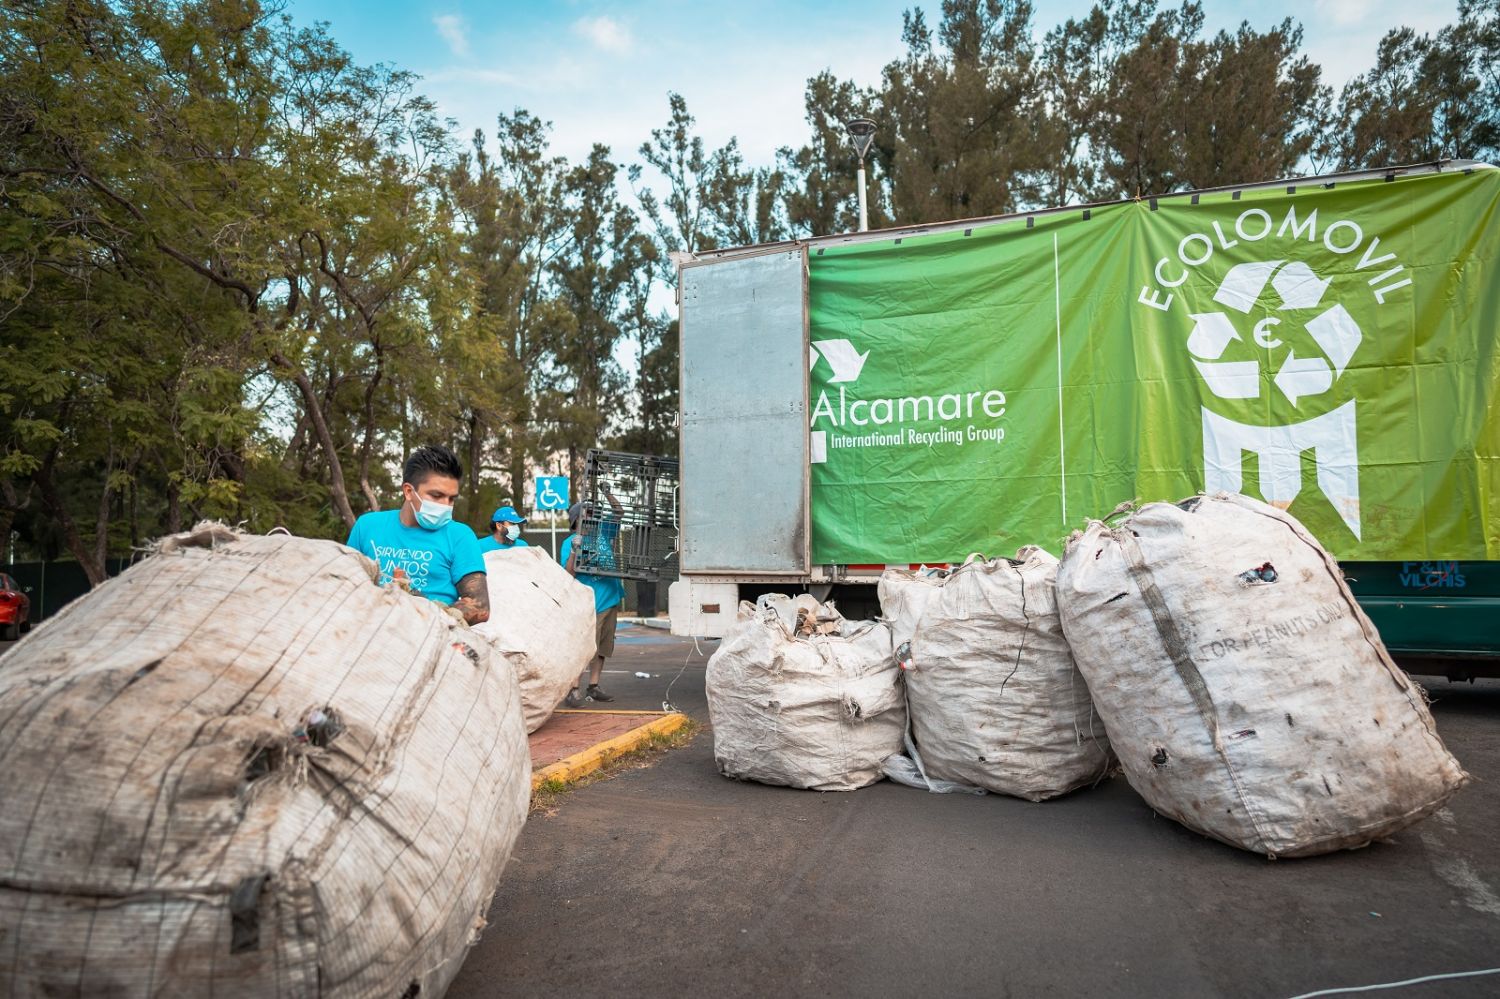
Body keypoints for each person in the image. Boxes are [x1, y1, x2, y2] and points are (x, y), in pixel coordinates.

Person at [345, 445, 489, 625]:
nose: (446, 505)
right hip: (369, 626)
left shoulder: (460, 536)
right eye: (436, 495)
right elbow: (346, 584)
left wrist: (425, 608)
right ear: (408, 492)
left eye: (451, 498)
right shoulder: (367, 526)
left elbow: (480, 607)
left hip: (432, 634)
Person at [560, 487, 624, 705]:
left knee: (603, 648)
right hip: (590, 605)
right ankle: (573, 689)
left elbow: (619, 511)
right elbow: (568, 573)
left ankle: (593, 687)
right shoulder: (569, 542)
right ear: (578, 519)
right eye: (589, 513)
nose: (594, 516)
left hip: (610, 599)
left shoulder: (603, 533)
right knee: (586, 649)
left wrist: (606, 493)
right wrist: (573, 551)